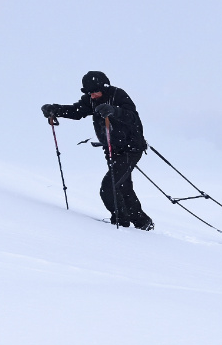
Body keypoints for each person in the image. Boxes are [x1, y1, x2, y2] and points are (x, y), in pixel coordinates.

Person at [41, 71, 154, 230]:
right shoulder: (90, 99)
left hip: (131, 148)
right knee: (122, 187)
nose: (92, 96)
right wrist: (55, 110)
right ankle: (142, 222)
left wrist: (114, 110)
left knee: (108, 187)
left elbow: (132, 117)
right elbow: (77, 111)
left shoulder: (118, 95)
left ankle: (121, 222)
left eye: (95, 92)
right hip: (111, 149)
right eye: (89, 93)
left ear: (104, 87)